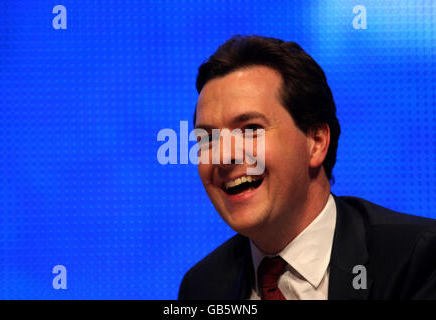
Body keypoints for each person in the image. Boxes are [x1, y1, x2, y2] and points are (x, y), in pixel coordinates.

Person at [178, 35, 436, 300]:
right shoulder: (201, 286)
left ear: (316, 142)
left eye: (251, 130)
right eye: (207, 139)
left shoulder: (418, 259)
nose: (224, 156)